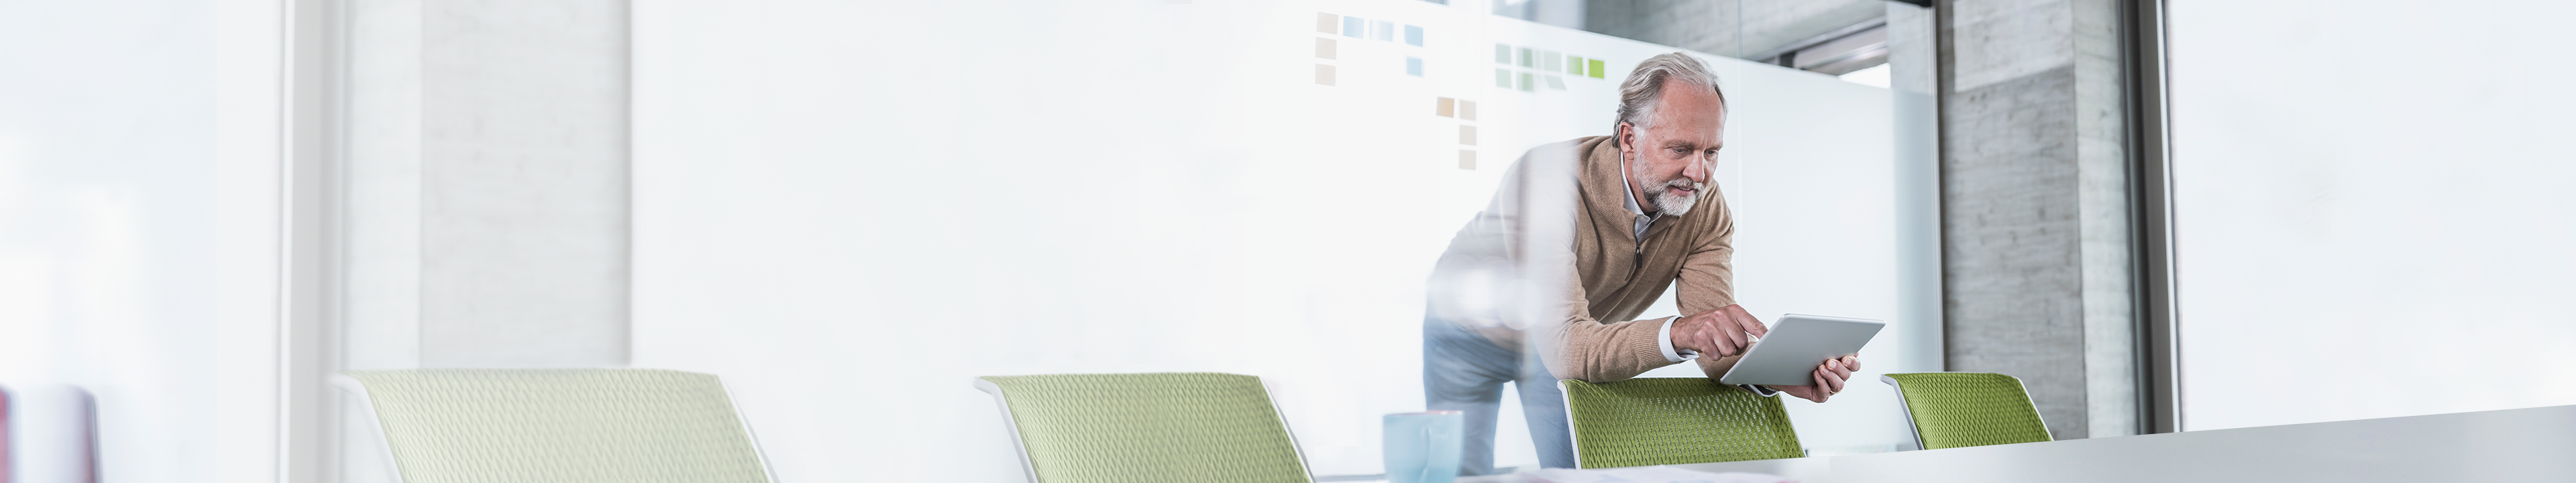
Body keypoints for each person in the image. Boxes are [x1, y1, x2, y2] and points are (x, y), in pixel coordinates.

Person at [1419, 52, 1863, 474]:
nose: (1699, 173)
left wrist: (1774, 374)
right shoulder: (1548, 181)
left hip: (1572, 333)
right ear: (1629, 138)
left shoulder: (1705, 206)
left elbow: (1709, 337)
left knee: (1580, 474)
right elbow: (1569, 349)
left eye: (1711, 152)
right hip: (1470, 331)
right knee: (1461, 474)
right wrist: (1678, 332)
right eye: (1680, 149)